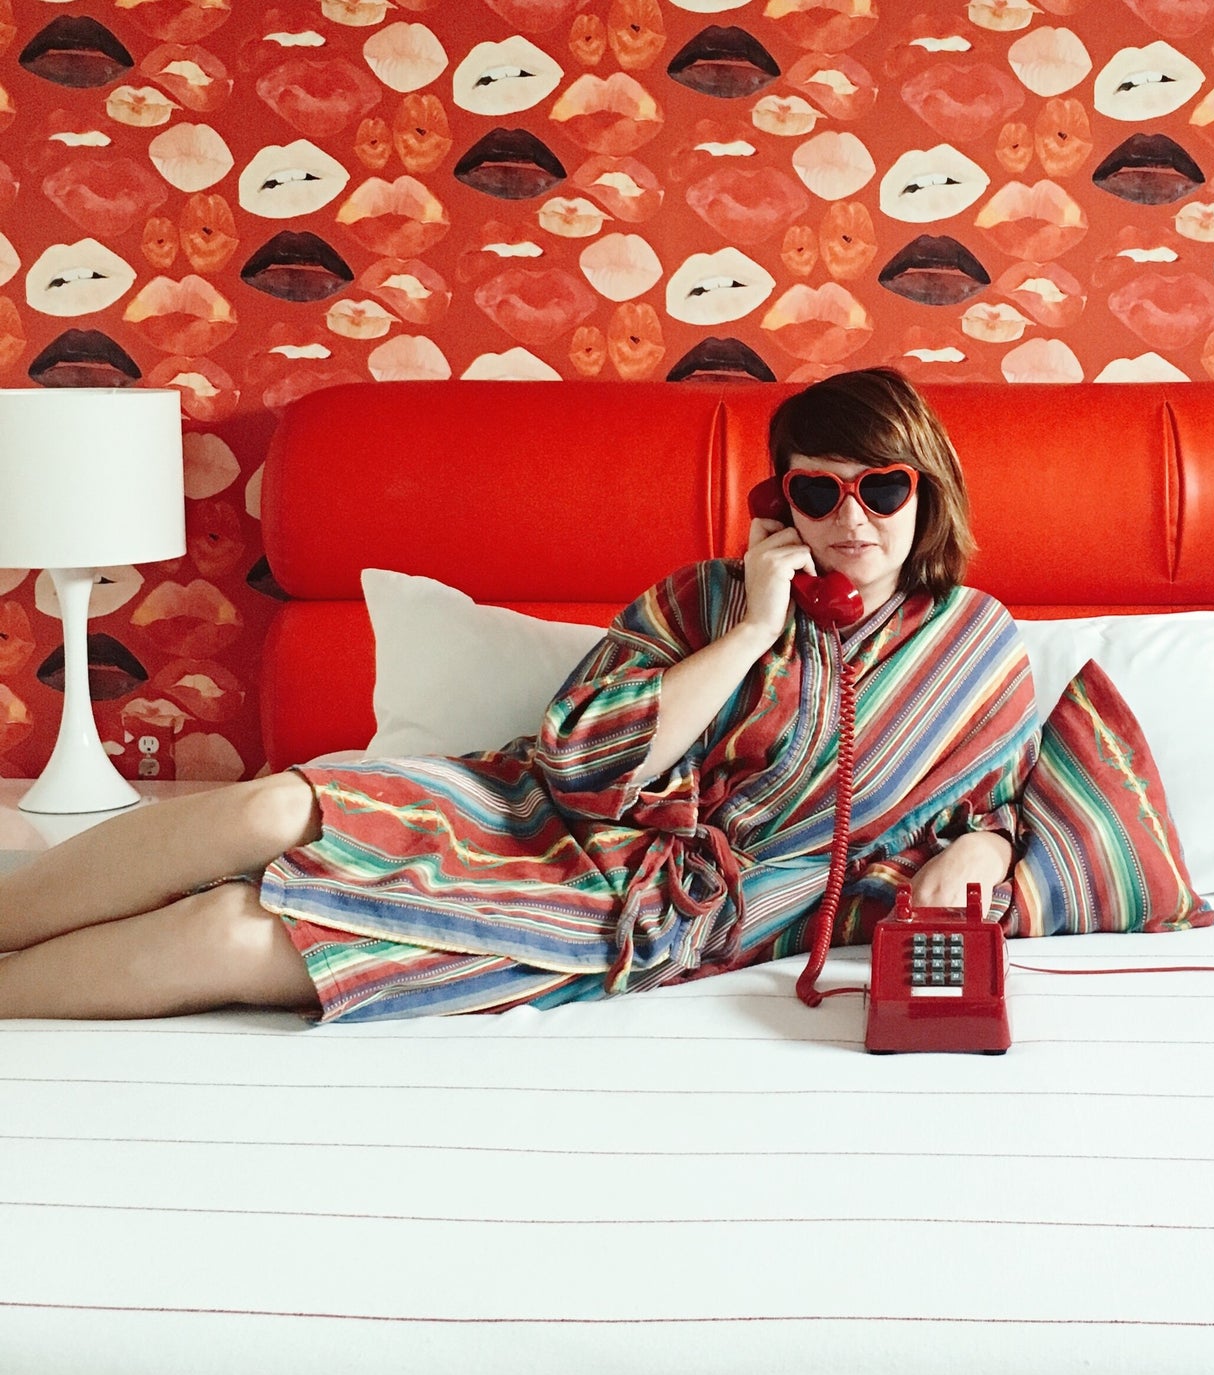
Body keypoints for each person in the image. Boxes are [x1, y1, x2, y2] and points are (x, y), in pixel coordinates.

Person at [0, 368, 1040, 1023]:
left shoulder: (978, 649)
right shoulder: (707, 598)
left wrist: (979, 852)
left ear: (927, 489)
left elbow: (995, 811)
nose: (850, 520)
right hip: (522, 813)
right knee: (269, 804)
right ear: (782, 505)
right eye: (818, 492)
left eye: (882, 488)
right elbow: (583, 760)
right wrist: (756, 630)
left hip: (630, 914)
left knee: (230, 933)